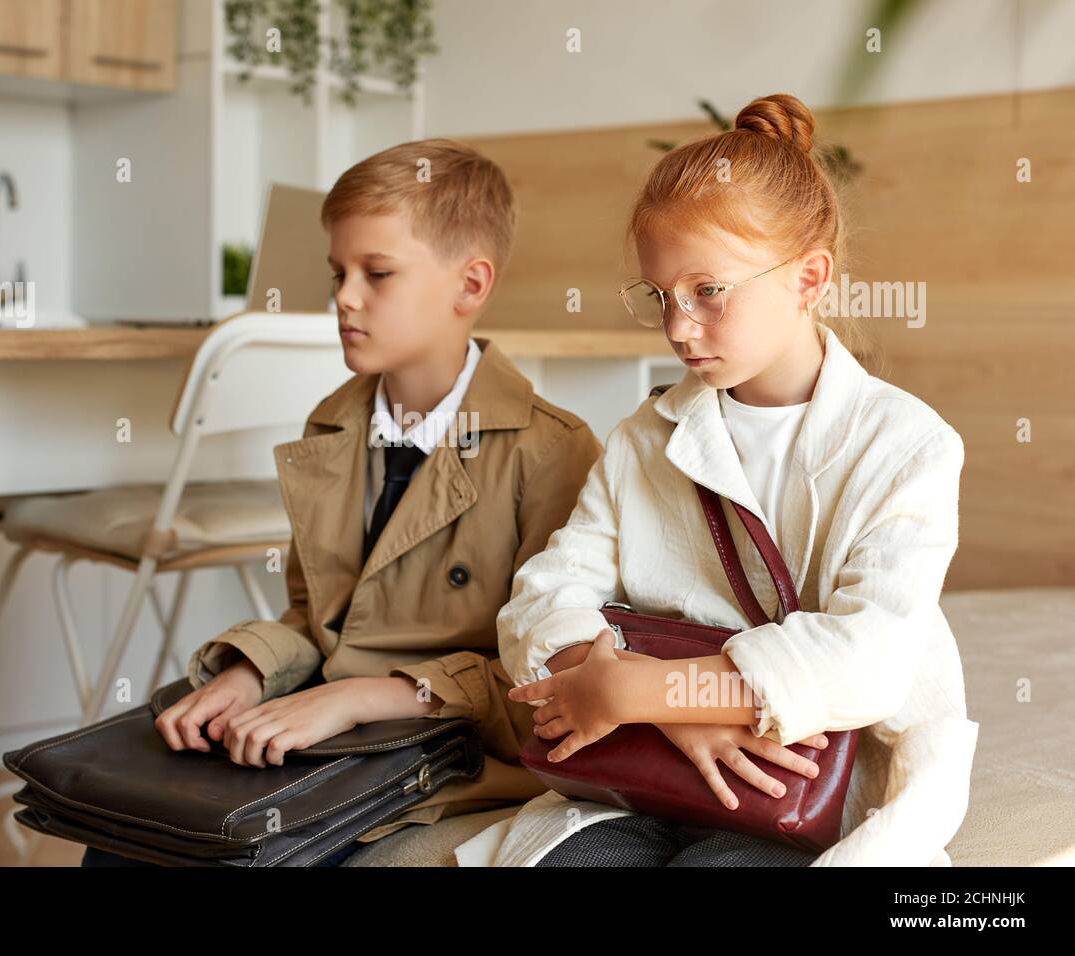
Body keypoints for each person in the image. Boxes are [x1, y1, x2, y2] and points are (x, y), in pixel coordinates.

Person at [481, 93, 979, 867]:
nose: (679, 326)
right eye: (661, 297)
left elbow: (868, 655)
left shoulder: (908, 445)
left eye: (708, 291)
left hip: (796, 779)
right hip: (638, 766)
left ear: (809, 278)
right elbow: (544, 596)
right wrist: (662, 708)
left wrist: (641, 691)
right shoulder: (643, 438)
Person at [83, 138, 602, 866]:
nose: (344, 298)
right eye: (338, 272)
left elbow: (546, 689)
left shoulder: (551, 451)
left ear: (471, 284)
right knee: (132, 828)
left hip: (440, 750)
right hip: (331, 728)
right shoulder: (333, 424)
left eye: (377, 273)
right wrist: (250, 672)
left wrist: (363, 696)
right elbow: (317, 618)